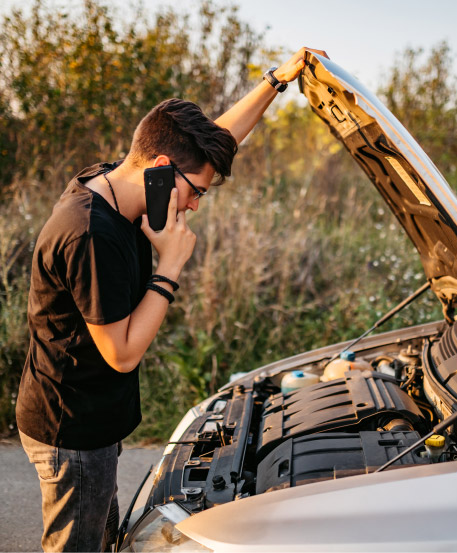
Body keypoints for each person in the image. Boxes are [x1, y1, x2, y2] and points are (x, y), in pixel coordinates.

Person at [15, 47, 328, 552]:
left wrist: (276, 82)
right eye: (197, 191)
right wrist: (171, 265)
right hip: (73, 429)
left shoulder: (124, 182)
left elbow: (215, 143)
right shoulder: (91, 234)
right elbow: (122, 353)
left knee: (102, 539)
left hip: (93, 418)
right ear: (161, 168)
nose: (197, 205)